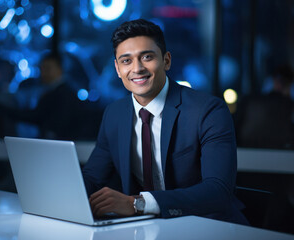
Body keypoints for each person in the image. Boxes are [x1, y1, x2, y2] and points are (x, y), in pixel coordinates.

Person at [82, 19, 248, 224]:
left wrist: (137, 204)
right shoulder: (114, 114)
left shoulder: (208, 111)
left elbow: (218, 191)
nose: (137, 68)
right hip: (146, 228)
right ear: (117, 69)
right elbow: (92, 178)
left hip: (209, 226)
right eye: (126, 61)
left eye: (147, 57)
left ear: (166, 60)